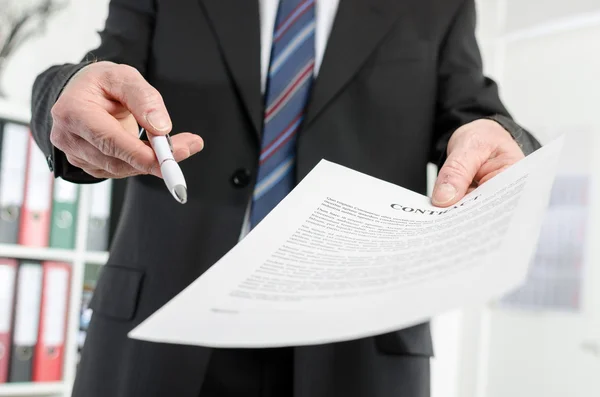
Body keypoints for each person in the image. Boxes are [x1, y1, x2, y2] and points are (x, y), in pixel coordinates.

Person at [30, 0, 541, 396]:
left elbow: (471, 109)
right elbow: (101, 79)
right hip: (166, 319)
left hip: (359, 340)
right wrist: (65, 92)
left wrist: (502, 140)